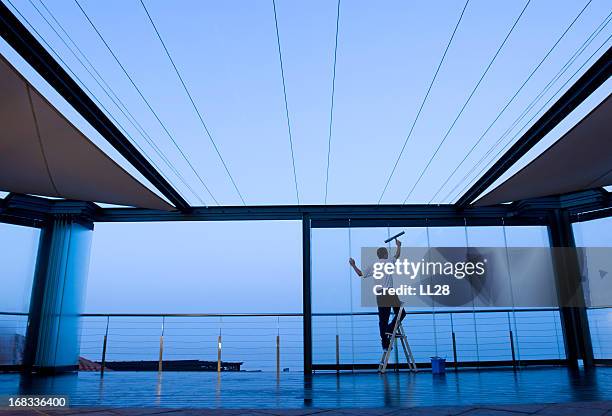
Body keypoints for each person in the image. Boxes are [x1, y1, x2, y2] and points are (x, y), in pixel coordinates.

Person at [349, 238, 406, 352]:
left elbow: (360, 274)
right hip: (389, 292)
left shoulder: (374, 265)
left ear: (378, 255)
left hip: (380, 294)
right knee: (401, 313)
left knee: (382, 320)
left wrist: (353, 265)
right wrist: (399, 245)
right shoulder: (389, 261)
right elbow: (397, 255)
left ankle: (385, 344)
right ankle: (390, 328)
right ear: (385, 254)